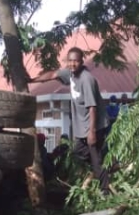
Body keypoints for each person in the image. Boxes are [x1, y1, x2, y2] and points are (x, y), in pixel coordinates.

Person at [31, 47, 110, 192]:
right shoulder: (70, 74)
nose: (72, 64)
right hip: (82, 127)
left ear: (81, 61)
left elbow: (93, 107)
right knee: (77, 153)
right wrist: (32, 80)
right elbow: (53, 74)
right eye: (70, 61)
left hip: (94, 126)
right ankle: (102, 167)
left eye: (76, 61)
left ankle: (105, 191)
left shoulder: (87, 79)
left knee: (96, 159)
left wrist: (91, 132)